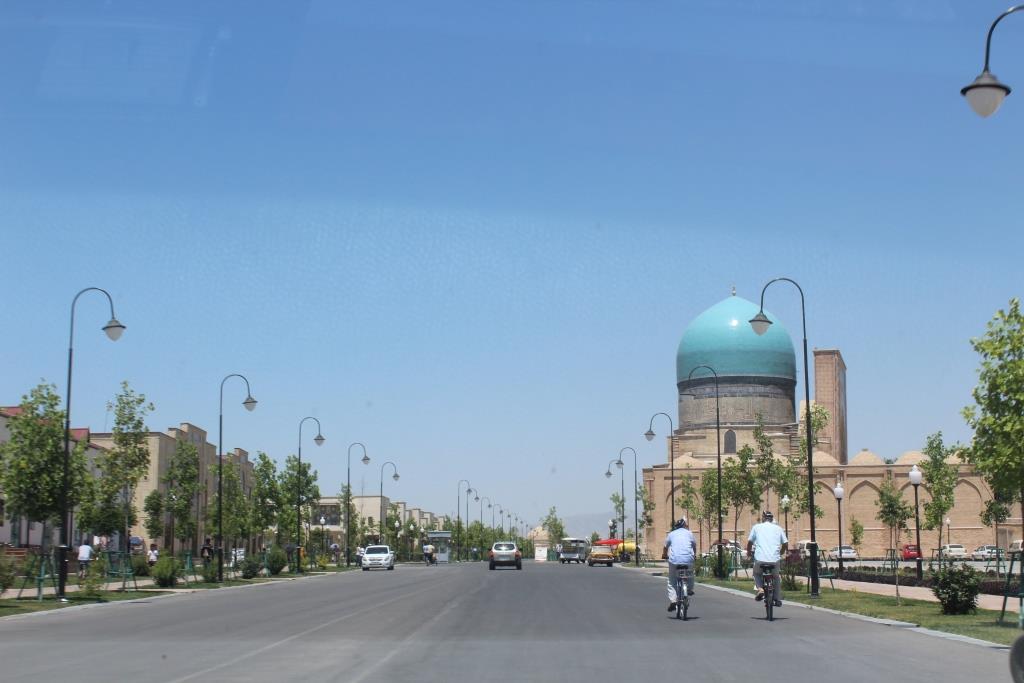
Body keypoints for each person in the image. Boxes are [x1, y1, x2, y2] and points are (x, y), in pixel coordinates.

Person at [747, 510, 788, 607]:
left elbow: (750, 542)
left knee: (756, 573)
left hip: (760, 559)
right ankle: (777, 599)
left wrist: (749, 552)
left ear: (763, 518)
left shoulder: (756, 527)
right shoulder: (778, 528)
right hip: (775, 560)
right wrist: (781, 552)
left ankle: (760, 589)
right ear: (772, 519)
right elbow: (785, 543)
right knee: (776, 577)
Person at [662, 517, 697, 612]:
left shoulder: (671, 534)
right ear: (684, 525)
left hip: (674, 560)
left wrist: (664, 555)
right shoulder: (689, 533)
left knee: (672, 580)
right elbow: (694, 546)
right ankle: (689, 589)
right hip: (688, 560)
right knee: (690, 574)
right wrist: (694, 555)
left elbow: (665, 547)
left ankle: (673, 600)